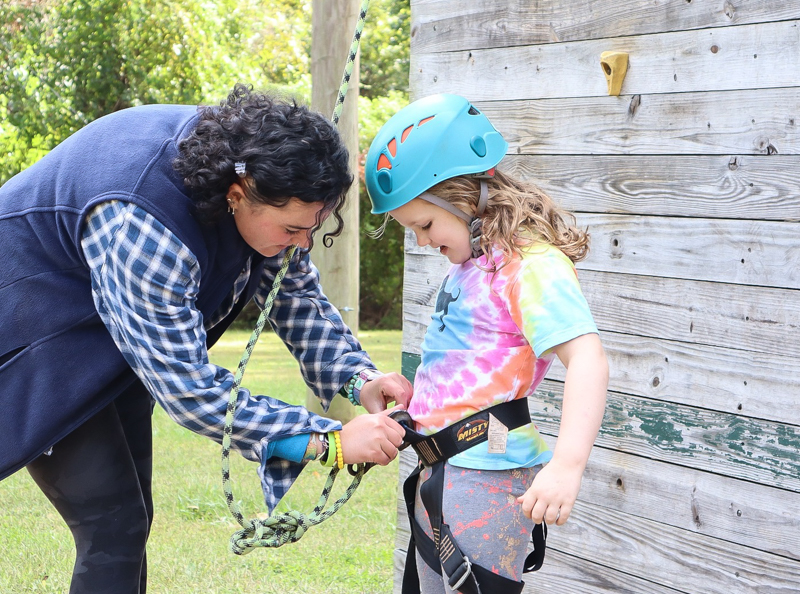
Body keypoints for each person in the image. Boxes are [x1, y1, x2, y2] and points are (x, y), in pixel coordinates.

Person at [0, 83, 411, 593]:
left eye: (314, 227)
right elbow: (188, 389)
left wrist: (357, 379)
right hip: (32, 331)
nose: (302, 243)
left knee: (130, 519)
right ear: (238, 195)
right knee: (112, 522)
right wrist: (329, 442)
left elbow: (295, 298)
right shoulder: (142, 222)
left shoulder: (265, 177)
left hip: (102, 336)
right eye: (291, 230)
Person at [364, 94, 608, 594]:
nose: (422, 242)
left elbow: (587, 359)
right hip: (443, 469)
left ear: (464, 194)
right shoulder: (475, 263)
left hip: (488, 475)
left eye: (425, 225)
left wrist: (566, 466)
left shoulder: (531, 264)